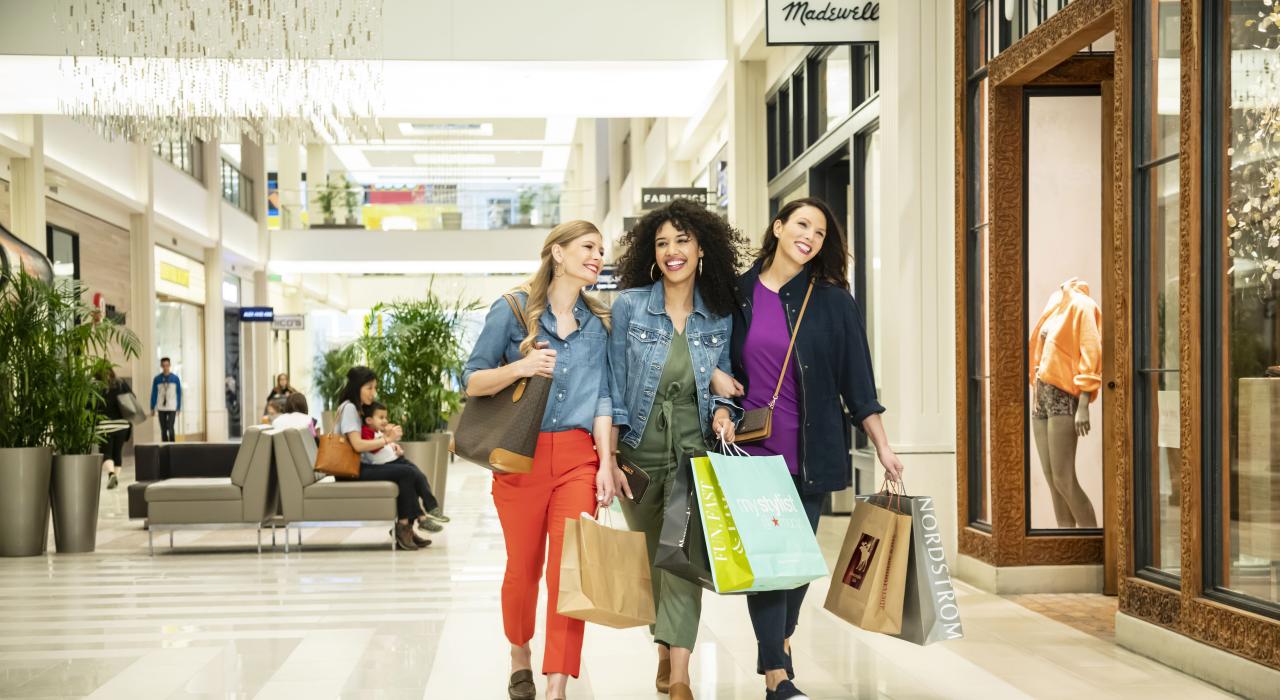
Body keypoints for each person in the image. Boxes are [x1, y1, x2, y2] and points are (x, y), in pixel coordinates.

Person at [717, 197, 905, 700]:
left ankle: (778, 642)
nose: (810, 236)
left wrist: (883, 447)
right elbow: (714, 359)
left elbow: (858, 385)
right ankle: (777, 675)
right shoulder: (735, 295)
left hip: (811, 453)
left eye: (820, 233)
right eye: (801, 224)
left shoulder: (833, 302)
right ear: (777, 227)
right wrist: (718, 389)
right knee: (766, 564)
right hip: (751, 454)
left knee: (795, 564)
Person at [461, 220, 619, 700]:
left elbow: (604, 399)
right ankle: (519, 653)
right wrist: (521, 366)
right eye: (588, 247)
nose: (598, 256)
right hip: (520, 457)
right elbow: (471, 381)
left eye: (601, 250)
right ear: (557, 253)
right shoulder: (512, 311)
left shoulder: (599, 323)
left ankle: (556, 684)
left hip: (578, 457)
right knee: (523, 570)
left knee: (569, 571)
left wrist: (607, 463)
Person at [606, 199, 746, 700]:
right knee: (652, 557)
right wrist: (610, 457)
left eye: (682, 241)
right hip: (638, 454)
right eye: (663, 242)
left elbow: (721, 389)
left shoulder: (719, 316)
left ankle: (681, 673)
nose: (672, 251)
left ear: (702, 248)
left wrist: (726, 412)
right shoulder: (628, 307)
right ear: (651, 252)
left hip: (694, 453)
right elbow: (614, 386)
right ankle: (663, 646)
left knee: (683, 557)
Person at [335, 366, 447, 551]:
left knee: (406, 470)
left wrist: (386, 440)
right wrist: (387, 439)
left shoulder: (358, 409)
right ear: (357, 387)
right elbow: (357, 445)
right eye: (369, 388)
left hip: (360, 465)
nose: (373, 393)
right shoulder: (349, 409)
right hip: (351, 470)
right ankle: (406, 526)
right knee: (405, 472)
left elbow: (367, 439)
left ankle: (407, 527)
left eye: (375, 388)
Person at [360, 401, 443, 533]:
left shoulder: (377, 431)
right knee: (410, 476)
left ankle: (432, 507)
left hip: (397, 460)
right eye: (381, 417)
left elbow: (385, 446)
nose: (385, 421)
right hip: (387, 465)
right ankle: (421, 517)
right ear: (369, 420)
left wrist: (395, 447)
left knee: (420, 476)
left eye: (385, 417)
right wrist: (388, 437)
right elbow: (373, 449)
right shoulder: (366, 431)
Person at [99, 369, 132, 490]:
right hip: (122, 425)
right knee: (117, 453)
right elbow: (132, 398)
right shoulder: (121, 383)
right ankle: (115, 478)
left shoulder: (98, 386)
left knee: (106, 453)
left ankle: (111, 474)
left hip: (105, 425)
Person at [149, 357, 182, 442]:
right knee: (163, 430)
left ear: (170, 365)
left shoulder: (175, 378)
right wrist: (152, 407)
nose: (165, 367)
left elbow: (179, 393)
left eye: (167, 365)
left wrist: (178, 407)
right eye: (163, 365)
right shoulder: (157, 379)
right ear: (161, 366)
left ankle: (172, 448)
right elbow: (154, 393)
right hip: (161, 407)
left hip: (172, 407)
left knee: (170, 428)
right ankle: (164, 449)